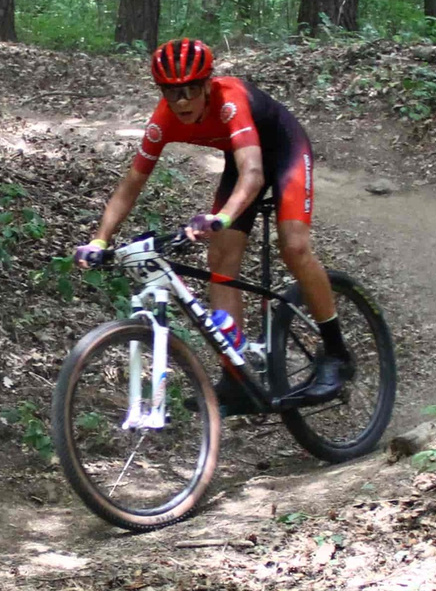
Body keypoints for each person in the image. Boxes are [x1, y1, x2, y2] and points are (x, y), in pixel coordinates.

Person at [75, 37, 350, 407]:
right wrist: (100, 240)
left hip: (283, 150)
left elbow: (252, 174)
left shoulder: (230, 100)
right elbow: (131, 183)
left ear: (207, 85)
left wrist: (221, 217)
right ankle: (236, 377)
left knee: (294, 246)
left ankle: (336, 354)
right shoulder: (164, 119)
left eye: (190, 90)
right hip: (241, 161)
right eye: (171, 92)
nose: (182, 101)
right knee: (221, 258)